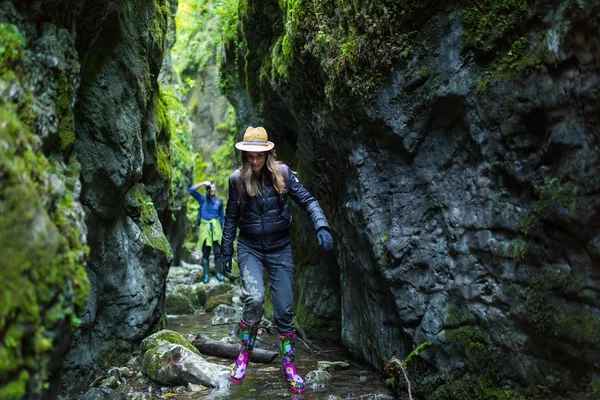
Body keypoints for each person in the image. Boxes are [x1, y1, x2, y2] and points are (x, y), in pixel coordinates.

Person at [220, 126, 333, 394]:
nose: (255, 161)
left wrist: (322, 225)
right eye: (250, 156)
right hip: (250, 249)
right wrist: (225, 250)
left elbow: (308, 200)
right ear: (245, 156)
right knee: (255, 299)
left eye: (259, 156)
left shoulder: (283, 175)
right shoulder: (237, 180)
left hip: (280, 248)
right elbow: (231, 217)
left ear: (268, 154)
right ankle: (244, 355)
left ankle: (289, 367)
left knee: (284, 310)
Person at [188, 180, 225, 283]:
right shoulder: (202, 199)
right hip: (205, 229)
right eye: (210, 188)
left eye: (213, 188)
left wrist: (224, 230)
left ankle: (218, 273)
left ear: (215, 189)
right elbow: (190, 190)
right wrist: (203, 183)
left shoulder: (219, 201)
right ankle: (206, 276)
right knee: (205, 254)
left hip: (216, 229)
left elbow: (223, 217)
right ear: (207, 189)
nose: (212, 189)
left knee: (218, 253)